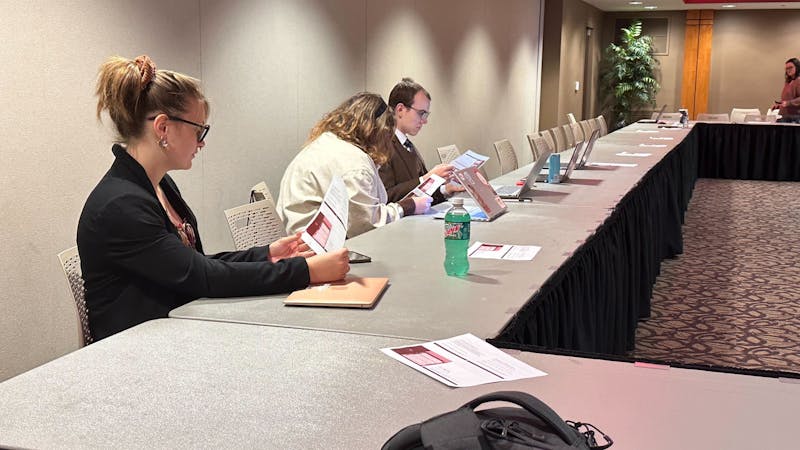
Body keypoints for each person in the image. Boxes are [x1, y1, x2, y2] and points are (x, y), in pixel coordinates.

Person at [78, 55, 349, 341]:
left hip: (173, 329)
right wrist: (304, 271)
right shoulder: (121, 205)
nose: (202, 142)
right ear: (162, 128)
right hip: (136, 351)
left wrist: (268, 254)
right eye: (198, 130)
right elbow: (202, 276)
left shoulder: (158, 186)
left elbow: (191, 264)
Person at [277, 92, 432, 238]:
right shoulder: (355, 164)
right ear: (377, 130)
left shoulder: (327, 142)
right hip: (318, 250)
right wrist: (407, 207)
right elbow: (366, 226)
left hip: (299, 241)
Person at [379, 78, 463, 204]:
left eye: (426, 115)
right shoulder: (381, 145)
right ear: (400, 110)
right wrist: (427, 178)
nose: (424, 121)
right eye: (421, 113)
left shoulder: (407, 144)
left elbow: (420, 193)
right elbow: (385, 197)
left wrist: (445, 189)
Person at [773, 58, 800, 122]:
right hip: (785, 116)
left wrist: (788, 103)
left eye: (790, 67)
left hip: (794, 118)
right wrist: (779, 105)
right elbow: (788, 99)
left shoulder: (798, 80)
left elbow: (789, 102)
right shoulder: (788, 82)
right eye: (786, 69)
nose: (788, 70)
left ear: (797, 67)